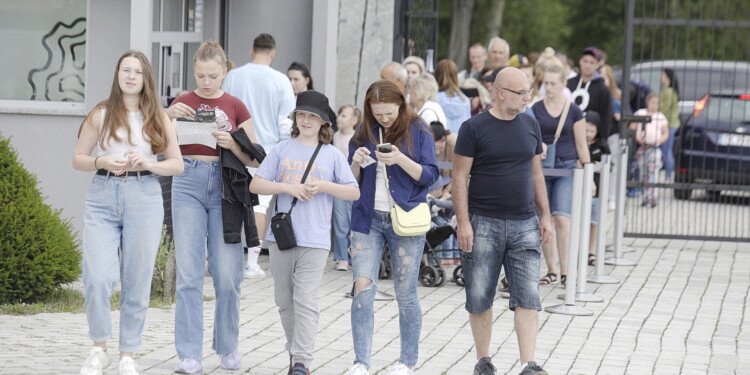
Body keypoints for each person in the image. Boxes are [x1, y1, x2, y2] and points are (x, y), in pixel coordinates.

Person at [73, 50, 183, 375]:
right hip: (103, 193)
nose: (131, 76)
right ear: (118, 75)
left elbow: (176, 164)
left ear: (145, 77)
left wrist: (148, 162)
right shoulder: (101, 113)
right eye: (125, 70)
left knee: (136, 278)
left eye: (137, 71)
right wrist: (101, 161)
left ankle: (128, 354)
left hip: (144, 194)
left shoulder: (157, 117)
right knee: (95, 276)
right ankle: (98, 349)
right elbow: (78, 157)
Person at [166, 42, 262, 374]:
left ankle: (227, 346)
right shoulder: (181, 101)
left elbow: (255, 155)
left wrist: (232, 141)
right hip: (187, 181)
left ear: (224, 72)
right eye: (200, 75)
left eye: (212, 75)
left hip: (225, 186)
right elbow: (155, 144)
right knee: (190, 274)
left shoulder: (235, 104)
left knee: (227, 274)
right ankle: (189, 355)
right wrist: (167, 116)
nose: (206, 82)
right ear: (194, 72)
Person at [250, 90, 360, 375]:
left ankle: (301, 362)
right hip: (281, 237)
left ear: (324, 123)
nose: (307, 120)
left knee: (306, 300)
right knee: (284, 301)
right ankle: (294, 354)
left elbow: (353, 191)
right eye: (302, 114)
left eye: (313, 116)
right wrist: (288, 187)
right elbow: (257, 185)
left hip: (315, 239)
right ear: (295, 118)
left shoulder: (332, 155)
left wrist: (324, 186)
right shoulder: (281, 149)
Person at [453, 67, 552, 375]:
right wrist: (463, 222)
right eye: (521, 92)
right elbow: (458, 177)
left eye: (528, 92)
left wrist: (545, 215)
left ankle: (528, 364)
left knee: (528, 295)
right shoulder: (474, 128)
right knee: (480, 295)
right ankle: (483, 361)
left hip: (525, 222)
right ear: (499, 92)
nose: (527, 97)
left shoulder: (530, 124)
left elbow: (536, 173)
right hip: (483, 222)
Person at [344, 80, 439, 375]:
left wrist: (400, 158)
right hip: (367, 218)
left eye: (389, 112)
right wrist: (357, 162)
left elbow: (431, 175)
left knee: (405, 292)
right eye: (378, 113)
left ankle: (407, 361)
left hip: (406, 218)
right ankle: (361, 362)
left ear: (401, 104)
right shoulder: (363, 132)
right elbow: (350, 181)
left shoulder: (419, 129)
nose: (384, 118)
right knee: (362, 287)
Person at [222, 33, 297, 278]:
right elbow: (285, 124)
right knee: (260, 205)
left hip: (233, 146)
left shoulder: (233, 76)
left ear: (252, 51)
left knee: (229, 202)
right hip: (265, 150)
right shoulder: (280, 81)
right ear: (272, 54)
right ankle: (252, 262)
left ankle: (221, 258)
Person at [533, 64, 590, 286]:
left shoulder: (574, 111)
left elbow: (582, 145)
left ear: (563, 84)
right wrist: (539, 145)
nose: (549, 87)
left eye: (553, 83)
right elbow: (529, 137)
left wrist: (589, 176)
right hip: (542, 168)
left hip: (566, 167)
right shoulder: (536, 108)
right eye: (545, 83)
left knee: (562, 218)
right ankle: (552, 269)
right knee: (543, 219)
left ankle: (566, 270)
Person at [333, 104, 363, 271]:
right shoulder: (335, 136)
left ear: (354, 120)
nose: (339, 118)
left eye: (344, 115)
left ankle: (354, 255)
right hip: (337, 184)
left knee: (354, 221)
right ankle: (342, 257)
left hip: (353, 183)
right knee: (340, 221)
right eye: (339, 114)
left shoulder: (357, 138)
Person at [632, 93, 669, 207]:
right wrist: (640, 140)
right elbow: (632, 128)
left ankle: (652, 197)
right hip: (642, 147)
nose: (654, 105)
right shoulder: (640, 113)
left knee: (653, 173)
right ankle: (645, 197)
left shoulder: (660, 117)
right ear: (647, 102)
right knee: (643, 173)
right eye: (652, 102)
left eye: (657, 103)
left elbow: (665, 133)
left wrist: (658, 141)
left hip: (654, 147)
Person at [584, 112, 610, 265]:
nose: (588, 135)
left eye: (591, 131)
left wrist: (597, 167)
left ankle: (590, 251)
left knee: (593, 221)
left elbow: (609, 165)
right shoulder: (576, 142)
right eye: (586, 130)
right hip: (579, 188)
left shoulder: (601, 145)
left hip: (597, 188)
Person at [434, 59, 472, 134]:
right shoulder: (465, 100)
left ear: (436, 75)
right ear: (455, 76)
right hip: (461, 142)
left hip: (442, 141)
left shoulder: (434, 99)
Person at [659, 68, 680, 182]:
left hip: (668, 124)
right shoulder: (672, 90)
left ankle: (668, 175)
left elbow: (664, 109)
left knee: (667, 150)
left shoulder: (667, 91)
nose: (660, 77)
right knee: (668, 149)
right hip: (672, 123)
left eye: (662, 75)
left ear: (667, 77)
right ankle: (668, 173)